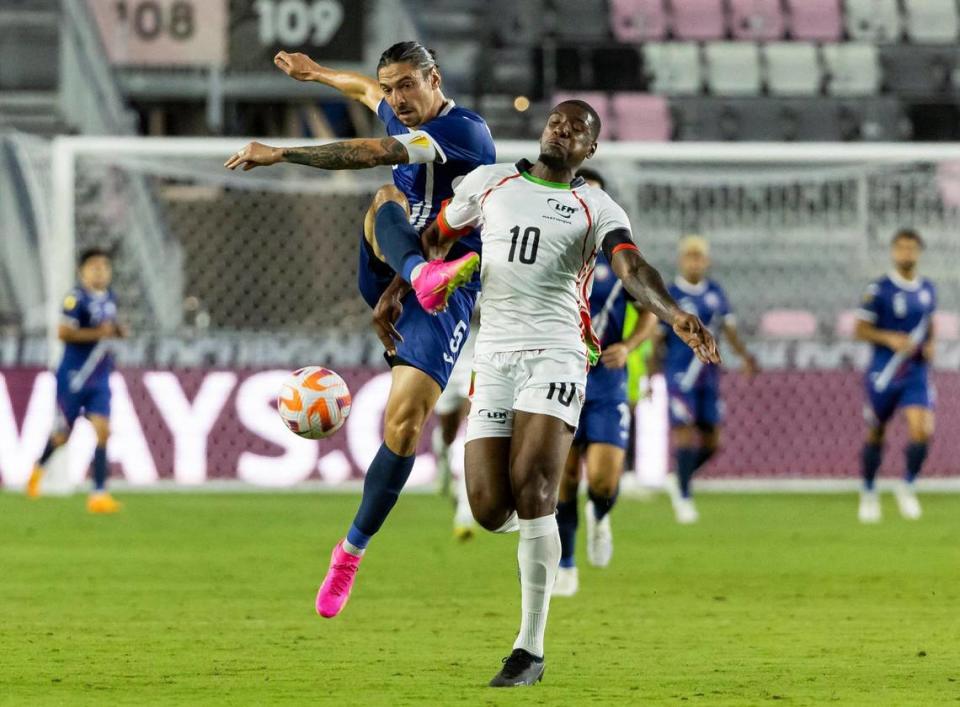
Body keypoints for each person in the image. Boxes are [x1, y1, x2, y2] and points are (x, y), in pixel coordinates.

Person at [374, 100, 719, 686]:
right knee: (487, 507)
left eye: (579, 128)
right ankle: (542, 535)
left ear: (591, 150)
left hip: (557, 353)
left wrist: (675, 312)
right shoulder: (489, 182)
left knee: (535, 489)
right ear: (543, 128)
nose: (564, 129)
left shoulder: (596, 205)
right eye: (558, 120)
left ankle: (529, 649)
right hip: (496, 356)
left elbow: (632, 269)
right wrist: (399, 286)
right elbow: (435, 239)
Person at [225, 41, 495, 617]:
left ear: (435, 79)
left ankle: (349, 552)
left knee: (404, 424)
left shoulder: (465, 133)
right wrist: (315, 72)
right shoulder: (400, 103)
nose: (397, 97)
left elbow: (373, 149)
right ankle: (417, 274)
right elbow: (363, 92)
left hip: (450, 284)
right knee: (384, 199)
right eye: (392, 86)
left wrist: (283, 153)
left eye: (407, 85)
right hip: (406, 269)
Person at [554, 168, 657, 598]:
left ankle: (600, 515)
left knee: (602, 478)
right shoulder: (555, 255)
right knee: (563, 480)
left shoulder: (620, 263)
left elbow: (651, 309)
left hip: (608, 382)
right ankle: (566, 565)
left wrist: (629, 346)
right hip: (559, 376)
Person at [659, 236, 758, 524]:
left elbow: (727, 330)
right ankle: (685, 498)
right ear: (681, 260)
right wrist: (652, 370)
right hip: (680, 374)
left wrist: (744, 356)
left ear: (707, 261)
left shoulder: (716, 292)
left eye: (699, 256)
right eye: (690, 256)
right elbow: (658, 335)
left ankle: (679, 478)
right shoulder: (670, 293)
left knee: (713, 441)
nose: (695, 261)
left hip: (708, 374)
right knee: (685, 431)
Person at [26, 248, 125, 513]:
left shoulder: (111, 298)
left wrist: (117, 331)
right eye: (94, 267)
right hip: (73, 377)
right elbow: (63, 333)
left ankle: (99, 494)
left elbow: (109, 329)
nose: (100, 271)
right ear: (82, 271)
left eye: (104, 266)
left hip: (100, 377)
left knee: (103, 430)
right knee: (62, 436)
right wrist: (97, 333)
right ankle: (38, 469)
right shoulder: (75, 299)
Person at [854, 228, 936, 523]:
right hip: (884, 372)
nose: (906, 253)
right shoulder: (879, 290)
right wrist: (889, 338)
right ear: (893, 251)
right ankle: (868, 491)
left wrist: (929, 346)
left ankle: (907, 485)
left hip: (914, 371)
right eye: (901, 247)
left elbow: (929, 324)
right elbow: (859, 329)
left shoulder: (928, 289)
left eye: (912, 248)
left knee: (922, 430)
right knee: (876, 432)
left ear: (919, 252)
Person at [432, 313, 478, 540]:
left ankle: (465, 509)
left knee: (472, 430)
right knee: (448, 431)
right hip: (449, 348)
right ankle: (442, 455)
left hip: (483, 353)